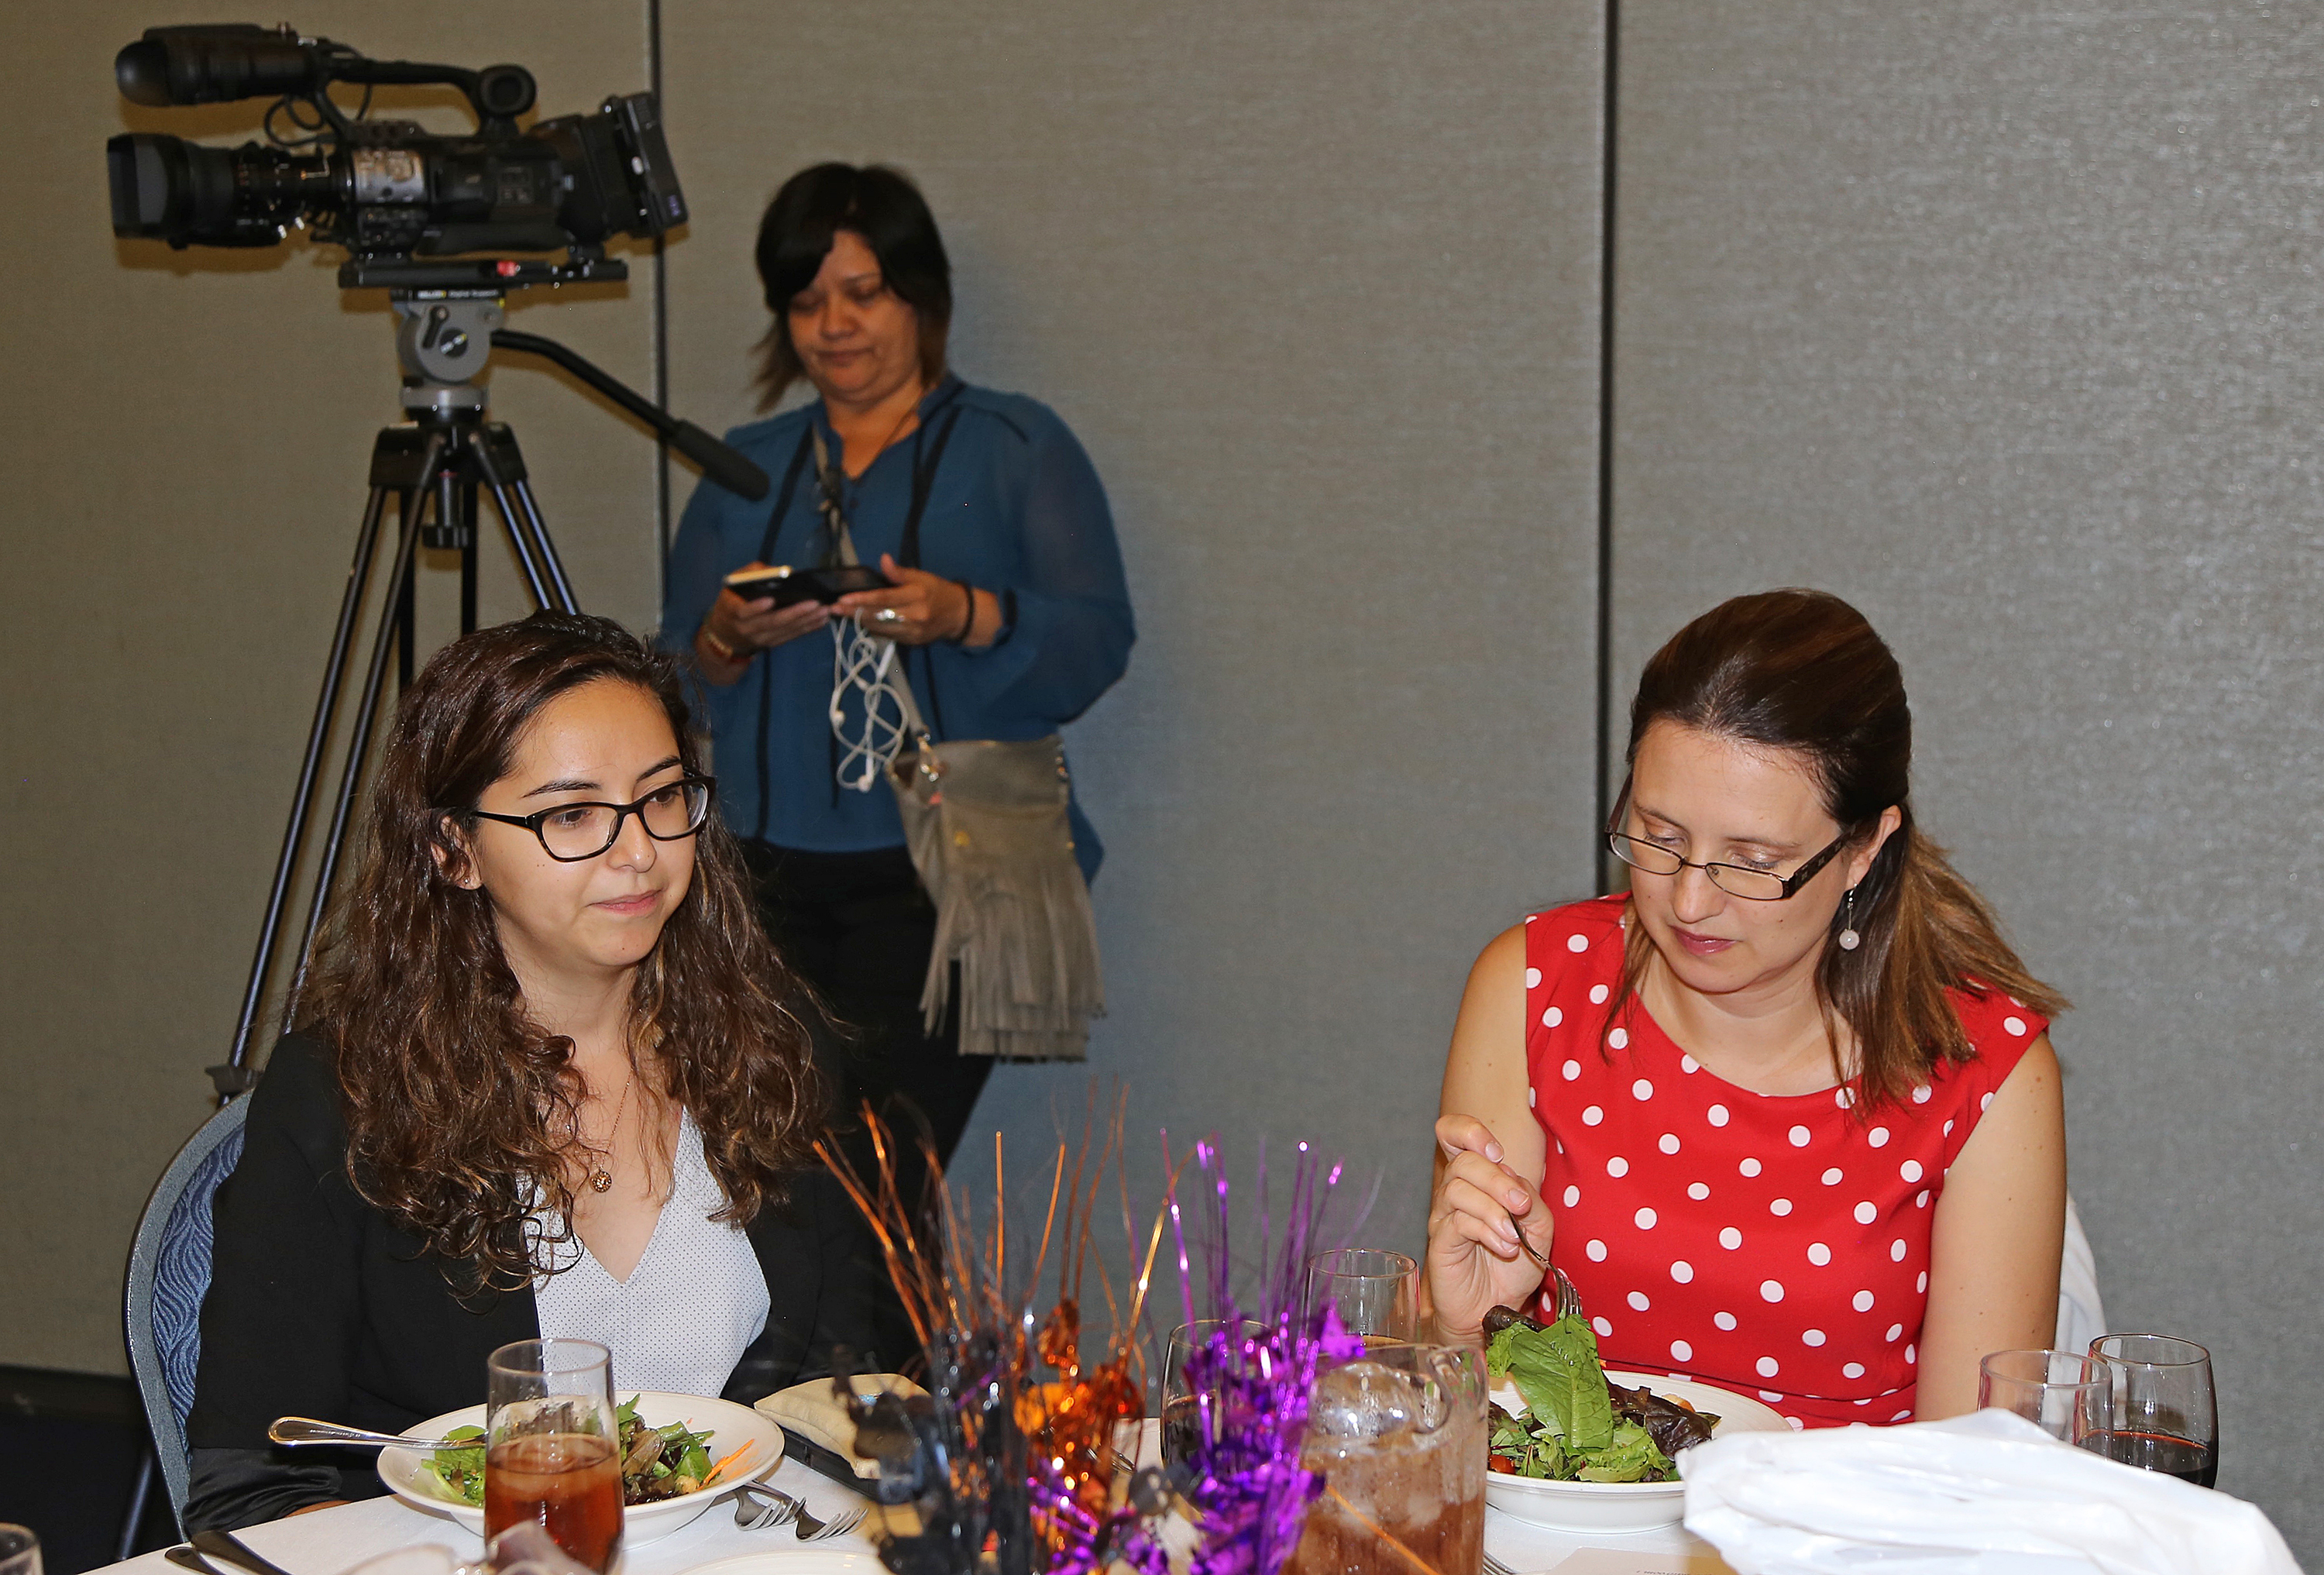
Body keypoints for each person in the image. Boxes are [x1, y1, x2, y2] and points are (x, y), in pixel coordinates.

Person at [184, 612, 878, 1531]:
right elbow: (254, 1478)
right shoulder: (344, 1093)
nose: (638, 851)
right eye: (571, 814)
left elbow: (853, 1383)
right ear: (453, 849)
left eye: (663, 797)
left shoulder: (773, 1044)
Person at [1427, 589, 2068, 1428]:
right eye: (1658, 836)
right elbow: (1446, 1435)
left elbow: (1970, 1470)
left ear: (1864, 849)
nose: (1689, 900)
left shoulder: (1984, 1071)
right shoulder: (1534, 986)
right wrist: (1457, 1327)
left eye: (1752, 860)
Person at [660, 163, 1133, 1175]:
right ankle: (842, 1345)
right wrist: (724, 642)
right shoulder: (746, 469)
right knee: (776, 1182)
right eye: (805, 300)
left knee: (875, 1178)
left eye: (862, 292)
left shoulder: (1016, 447)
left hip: (952, 877)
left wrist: (965, 613)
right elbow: (668, 685)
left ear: (921, 294)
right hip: (763, 884)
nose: (834, 323)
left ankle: (892, 1345)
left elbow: (1099, 640)